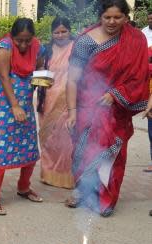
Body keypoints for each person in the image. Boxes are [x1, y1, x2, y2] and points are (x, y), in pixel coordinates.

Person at [65, 0, 149, 217]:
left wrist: (115, 94)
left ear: (126, 18)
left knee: (111, 156)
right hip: (87, 108)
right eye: (107, 17)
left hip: (116, 112)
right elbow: (72, 80)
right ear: (99, 17)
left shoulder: (135, 39)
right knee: (82, 152)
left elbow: (139, 78)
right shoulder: (85, 42)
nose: (112, 22)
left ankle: (106, 199)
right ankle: (83, 192)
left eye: (117, 17)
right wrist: (72, 112)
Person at [0, 18, 44, 215]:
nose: (23, 45)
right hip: (1, 107)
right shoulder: (4, 48)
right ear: (12, 37)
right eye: (19, 40)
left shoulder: (37, 48)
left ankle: (23, 187)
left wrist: (43, 82)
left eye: (27, 40)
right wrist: (14, 105)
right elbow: (4, 77)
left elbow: (36, 74)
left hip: (24, 107)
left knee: (29, 148)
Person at [37, 17, 75, 189]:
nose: (60, 35)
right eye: (56, 32)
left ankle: (66, 177)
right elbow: (39, 73)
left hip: (69, 101)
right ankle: (47, 174)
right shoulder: (45, 49)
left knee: (66, 140)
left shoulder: (77, 48)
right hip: (48, 100)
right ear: (51, 34)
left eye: (63, 31)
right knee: (48, 139)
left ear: (70, 31)